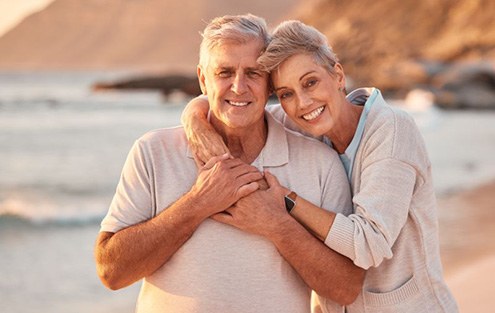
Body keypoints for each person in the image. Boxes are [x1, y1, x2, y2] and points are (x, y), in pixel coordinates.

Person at [181, 20, 458, 312]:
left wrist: (286, 202)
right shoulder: (302, 123)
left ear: (337, 75)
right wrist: (193, 118)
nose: (303, 102)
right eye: (286, 93)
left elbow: (369, 243)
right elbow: (231, 105)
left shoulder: (392, 130)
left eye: (310, 82)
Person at [94, 14, 364, 313]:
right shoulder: (152, 152)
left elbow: (346, 288)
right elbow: (112, 273)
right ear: (202, 79)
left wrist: (277, 225)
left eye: (253, 73)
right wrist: (197, 203)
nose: (238, 87)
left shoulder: (320, 163)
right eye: (224, 72)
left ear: (270, 84)